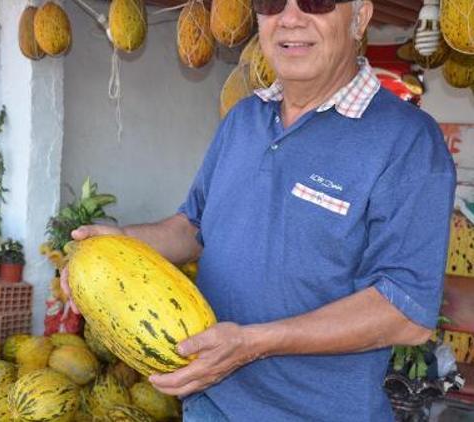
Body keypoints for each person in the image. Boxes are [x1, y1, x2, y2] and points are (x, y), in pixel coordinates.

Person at [61, 0, 457, 420]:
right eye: (271, 3)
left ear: (359, 17)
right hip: (208, 404)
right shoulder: (243, 119)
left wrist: (254, 343)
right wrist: (122, 245)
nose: (290, 18)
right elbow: (193, 227)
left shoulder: (408, 141)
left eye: (316, 2)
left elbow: (405, 312)